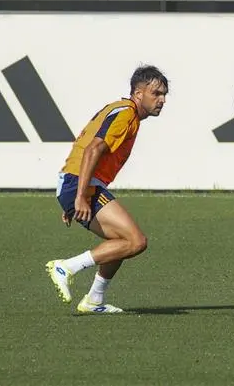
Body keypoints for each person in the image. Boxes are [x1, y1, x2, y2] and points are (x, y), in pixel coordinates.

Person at [45, 65, 168, 314]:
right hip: (79, 183)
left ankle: (94, 299)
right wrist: (79, 195)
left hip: (78, 183)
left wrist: (75, 195)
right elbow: (92, 149)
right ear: (138, 93)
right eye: (156, 93)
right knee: (136, 241)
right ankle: (66, 267)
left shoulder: (124, 111)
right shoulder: (126, 114)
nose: (162, 100)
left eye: (164, 94)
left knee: (121, 240)